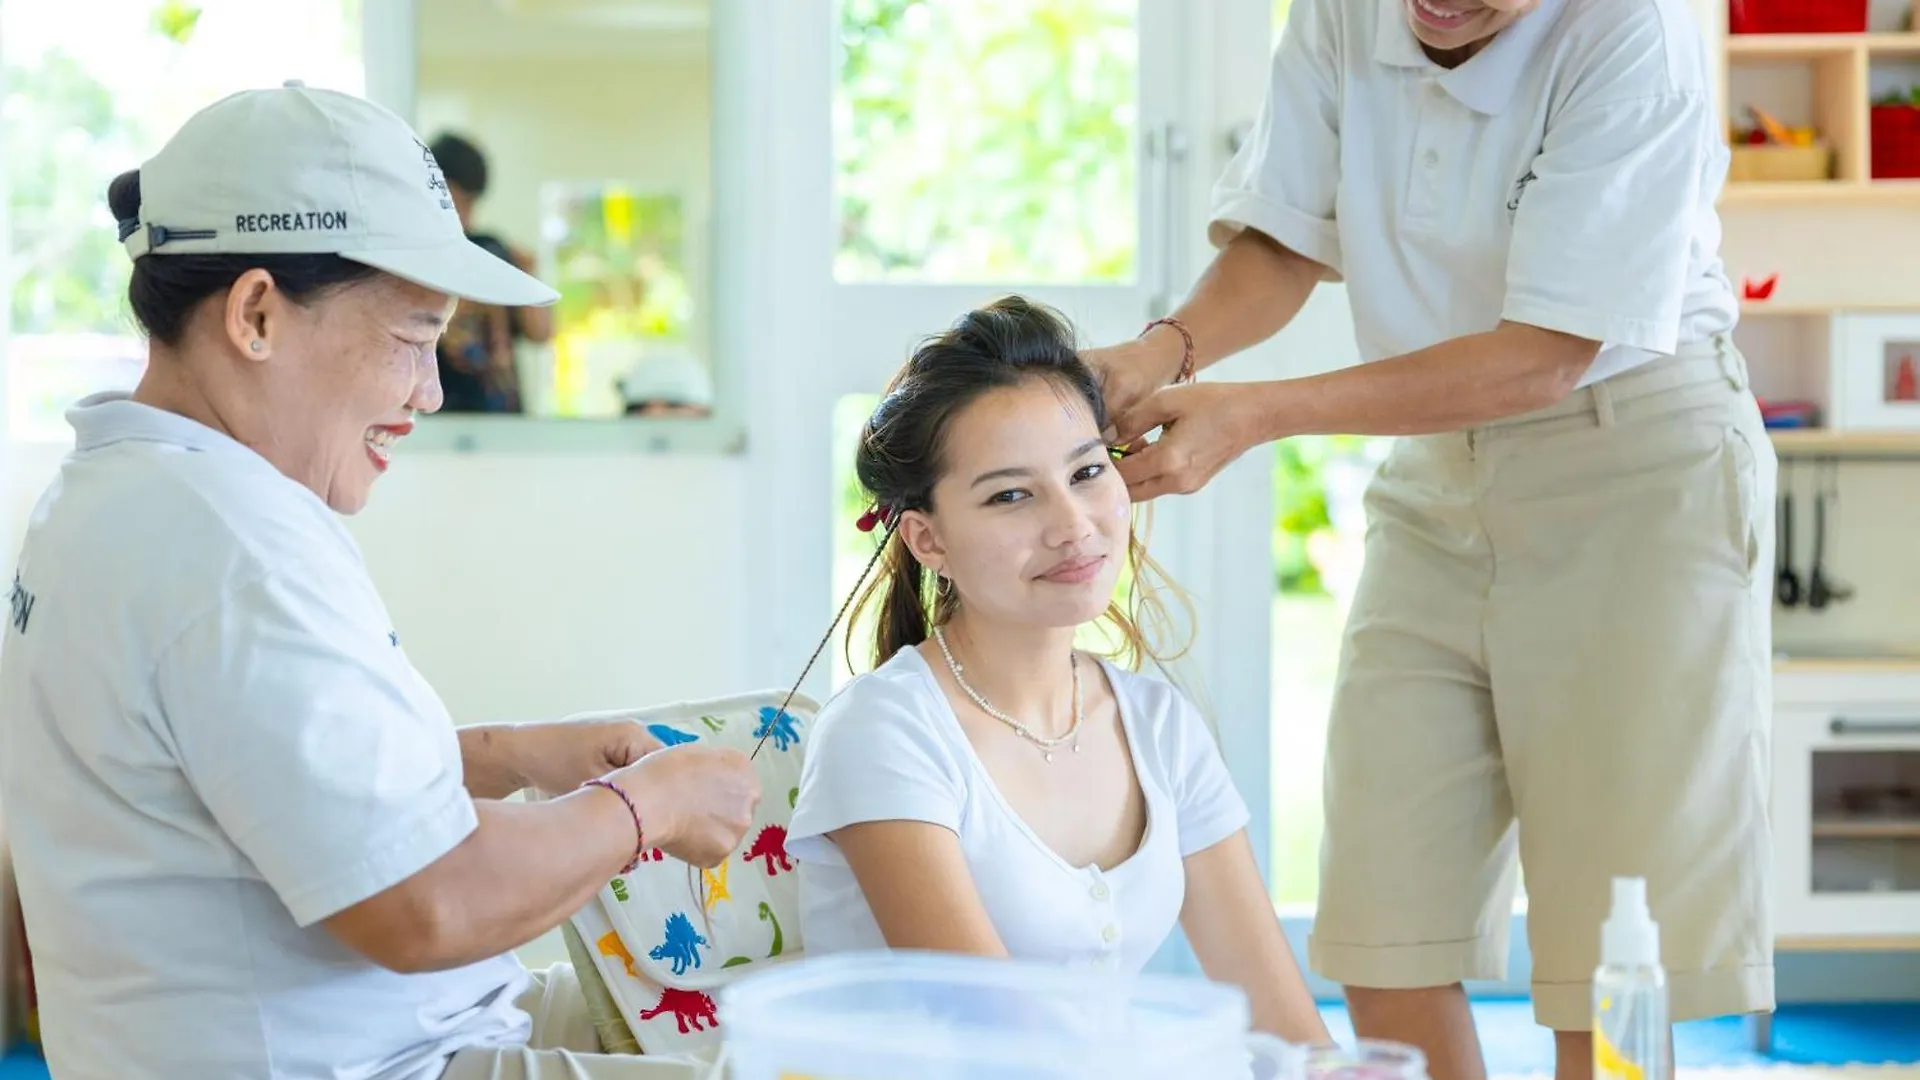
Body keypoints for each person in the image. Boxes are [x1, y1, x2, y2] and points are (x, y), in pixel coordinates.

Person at [0, 83, 759, 1080]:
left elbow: (270, 779)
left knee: (763, 1018)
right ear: (258, 314)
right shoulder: (228, 549)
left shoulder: (118, 499)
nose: (430, 393)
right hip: (384, 1061)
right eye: (413, 338)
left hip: (404, 1032)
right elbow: (425, 903)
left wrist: (511, 753)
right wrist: (643, 808)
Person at [1082, 2, 1775, 1079]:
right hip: (1439, 467)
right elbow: (1282, 238)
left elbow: (1547, 352)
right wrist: (1161, 350)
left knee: (1603, 959)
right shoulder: (1344, 11)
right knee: (1379, 925)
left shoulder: (1634, 26)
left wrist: (1258, 411)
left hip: (1635, 467)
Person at [786, 297, 1331, 1048]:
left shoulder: (1158, 726)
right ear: (926, 538)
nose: (1072, 523)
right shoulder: (884, 731)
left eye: (1086, 471)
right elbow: (1000, 1044)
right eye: (1011, 494)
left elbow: (1286, 1028)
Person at [428, 131, 556, 413]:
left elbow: (541, 332)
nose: (466, 215)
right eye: (456, 201)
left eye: (471, 203)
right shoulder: (420, 262)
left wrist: (528, 274)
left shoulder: (492, 249)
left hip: (502, 416)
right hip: (441, 413)